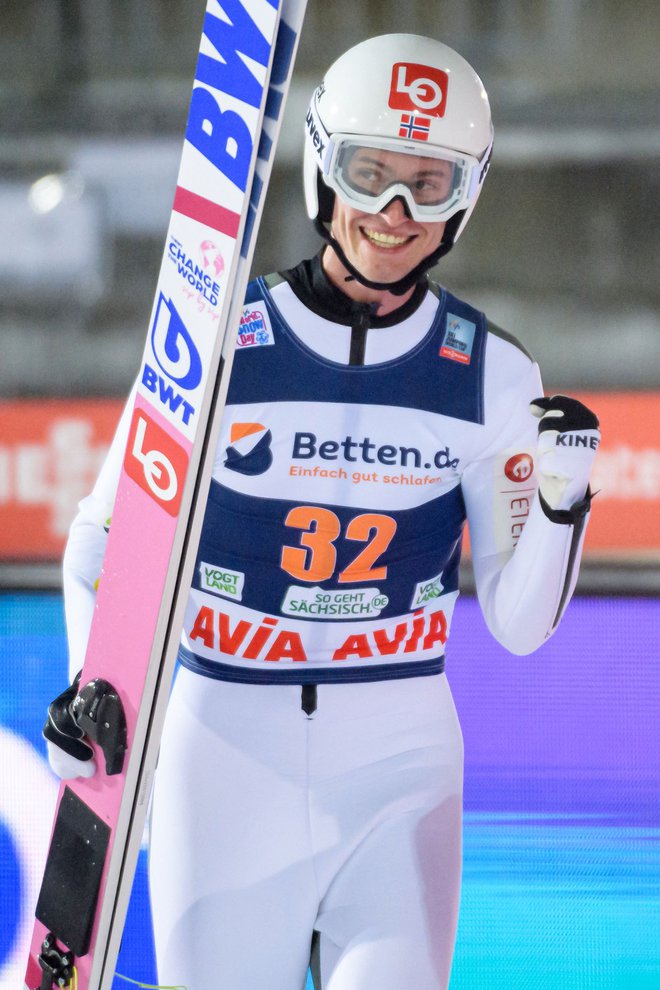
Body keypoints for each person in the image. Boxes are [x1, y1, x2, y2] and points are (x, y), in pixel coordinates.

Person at [44, 34, 600, 990]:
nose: (394, 212)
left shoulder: (496, 375)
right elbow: (102, 542)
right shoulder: (214, 345)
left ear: (467, 195)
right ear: (319, 166)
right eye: (369, 173)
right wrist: (94, 688)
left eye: (428, 183)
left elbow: (518, 626)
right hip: (223, 757)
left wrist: (562, 500)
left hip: (400, 766)